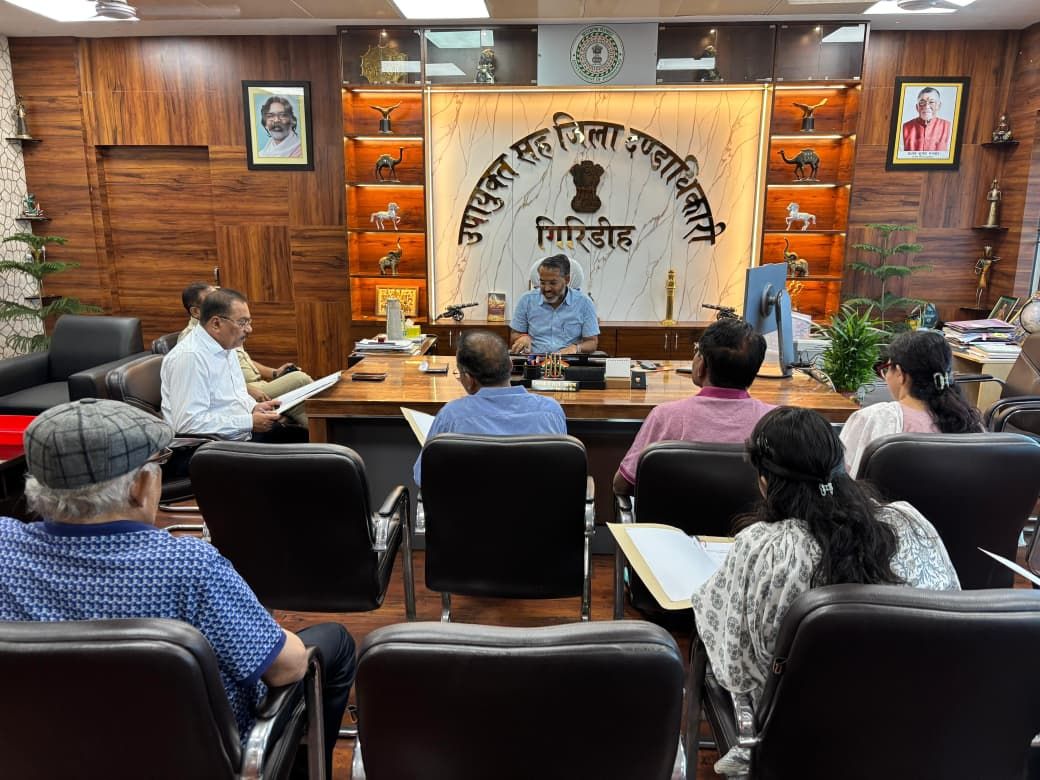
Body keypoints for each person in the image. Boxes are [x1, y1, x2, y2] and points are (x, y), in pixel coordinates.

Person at [0, 399, 354, 776]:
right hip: (196, 760)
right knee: (333, 643)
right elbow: (287, 669)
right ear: (140, 486)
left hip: (45, 755)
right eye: (159, 464)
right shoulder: (188, 565)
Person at [691, 406, 959, 776]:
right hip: (919, 729)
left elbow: (734, 662)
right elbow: (951, 605)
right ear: (842, 465)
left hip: (799, 743)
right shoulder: (911, 522)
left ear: (764, 481)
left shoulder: (765, 547)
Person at [613, 318, 773, 496]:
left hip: (675, 515)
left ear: (701, 365)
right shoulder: (773, 421)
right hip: (751, 515)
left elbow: (622, 485)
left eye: (697, 351)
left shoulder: (666, 416)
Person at [413, 330, 566, 485]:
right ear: (511, 365)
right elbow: (562, 474)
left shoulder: (451, 416)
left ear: (468, 380)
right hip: (537, 501)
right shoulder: (551, 412)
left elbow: (422, 477)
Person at [162, 287, 306, 442]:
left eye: (249, 322)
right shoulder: (190, 357)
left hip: (240, 434)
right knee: (310, 451)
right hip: (215, 447)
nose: (249, 329)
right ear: (216, 323)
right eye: (242, 323)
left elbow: (235, 396)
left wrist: (254, 407)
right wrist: (248, 422)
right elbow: (187, 423)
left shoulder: (226, 345)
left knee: (310, 439)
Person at [840, 329, 983, 477]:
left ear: (900, 373)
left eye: (886, 369)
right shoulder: (971, 424)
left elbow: (838, 476)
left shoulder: (875, 419)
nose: (885, 376)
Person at [510, 255, 599, 355]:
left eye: (553, 283)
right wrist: (522, 338)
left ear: (567, 279)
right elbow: (514, 334)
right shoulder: (526, 300)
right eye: (542, 283)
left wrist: (576, 348)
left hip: (568, 361)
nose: (547, 289)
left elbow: (592, 342)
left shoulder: (584, 303)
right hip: (535, 360)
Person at [901, 87, 952, 153]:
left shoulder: (948, 127)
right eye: (922, 102)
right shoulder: (905, 127)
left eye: (931, 102)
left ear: (939, 106)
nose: (926, 106)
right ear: (917, 107)